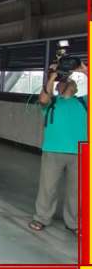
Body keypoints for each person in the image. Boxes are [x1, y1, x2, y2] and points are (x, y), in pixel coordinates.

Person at [28, 62, 88, 234]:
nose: (66, 82)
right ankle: (41, 218)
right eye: (63, 82)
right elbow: (42, 98)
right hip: (53, 151)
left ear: (76, 88)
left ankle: (74, 223)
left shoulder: (84, 103)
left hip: (79, 152)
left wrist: (85, 71)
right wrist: (52, 77)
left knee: (76, 191)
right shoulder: (52, 103)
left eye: (69, 81)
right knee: (48, 187)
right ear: (58, 88)